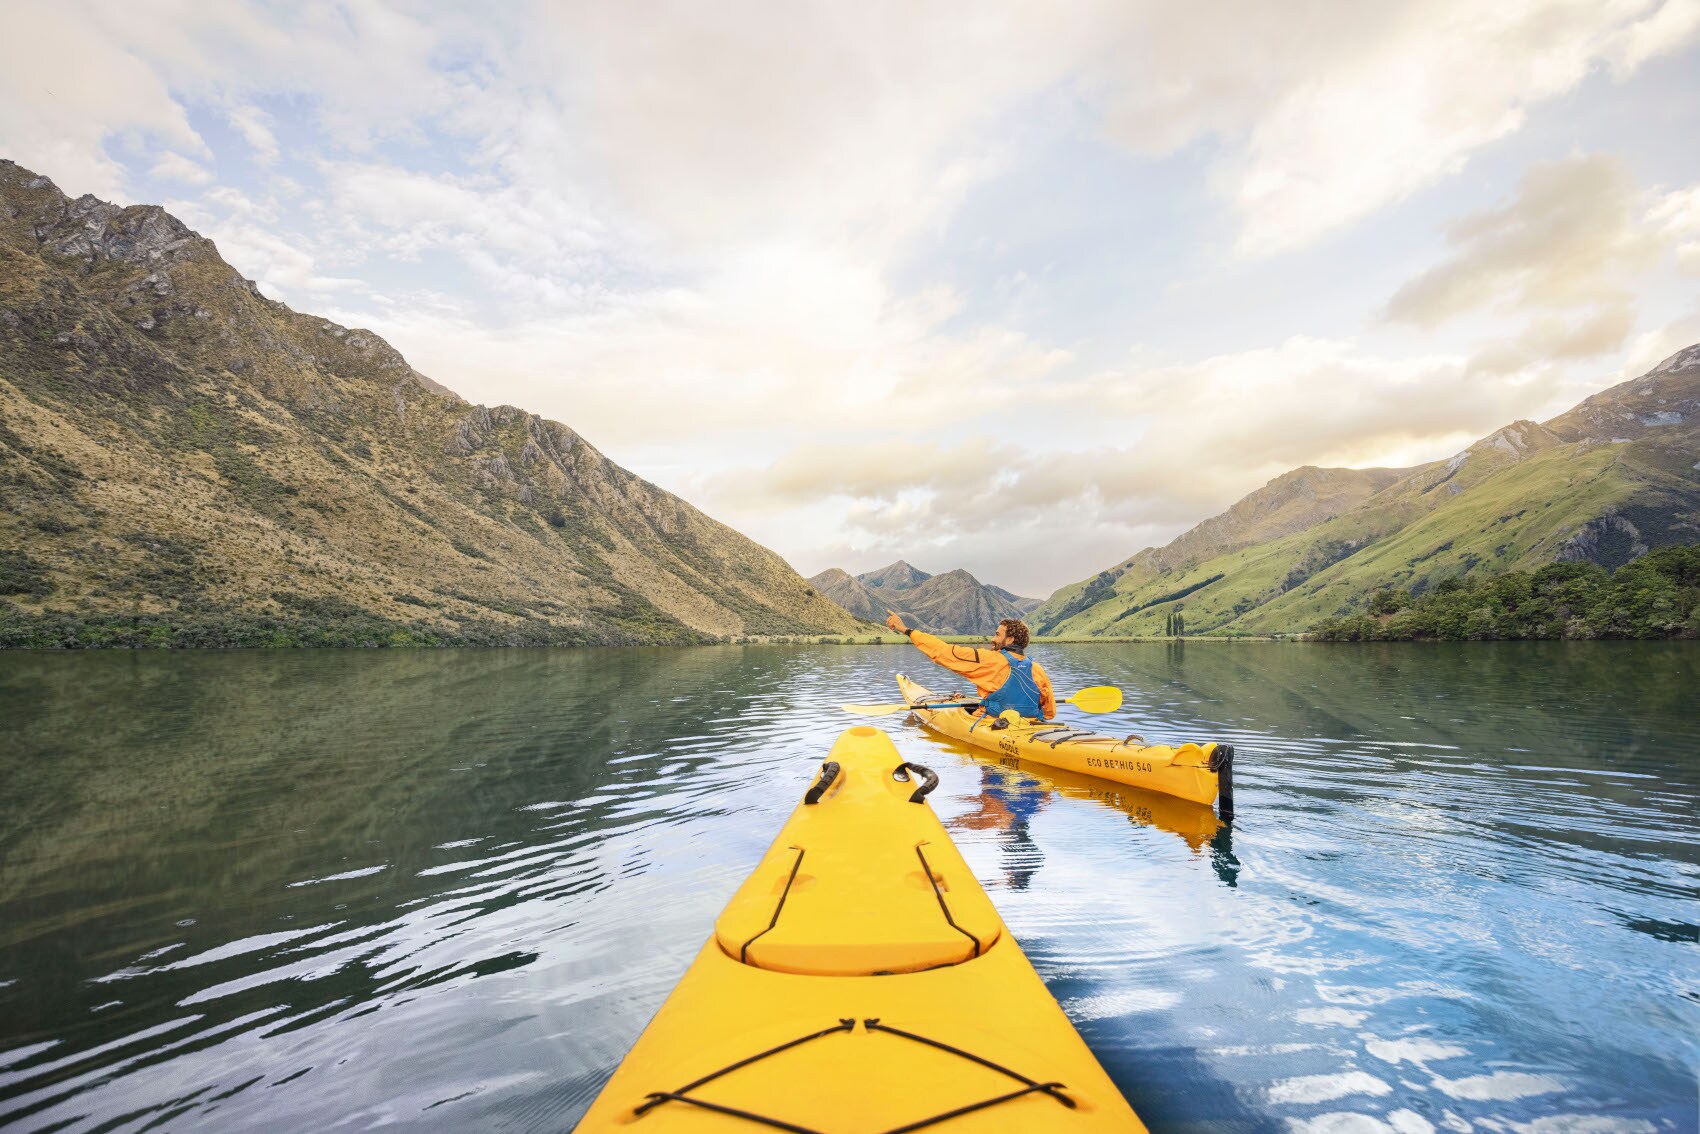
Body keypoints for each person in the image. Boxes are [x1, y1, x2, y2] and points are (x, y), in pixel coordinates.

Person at [884, 612, 1056, 721]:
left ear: (1010, 640)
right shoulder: (1037, 669)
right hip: (1031, 726)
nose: (993, 639)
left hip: (993, 724)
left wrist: (906, 630)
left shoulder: (989, 660)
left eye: (997, 635)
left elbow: (942, 652)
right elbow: (1049, 713)